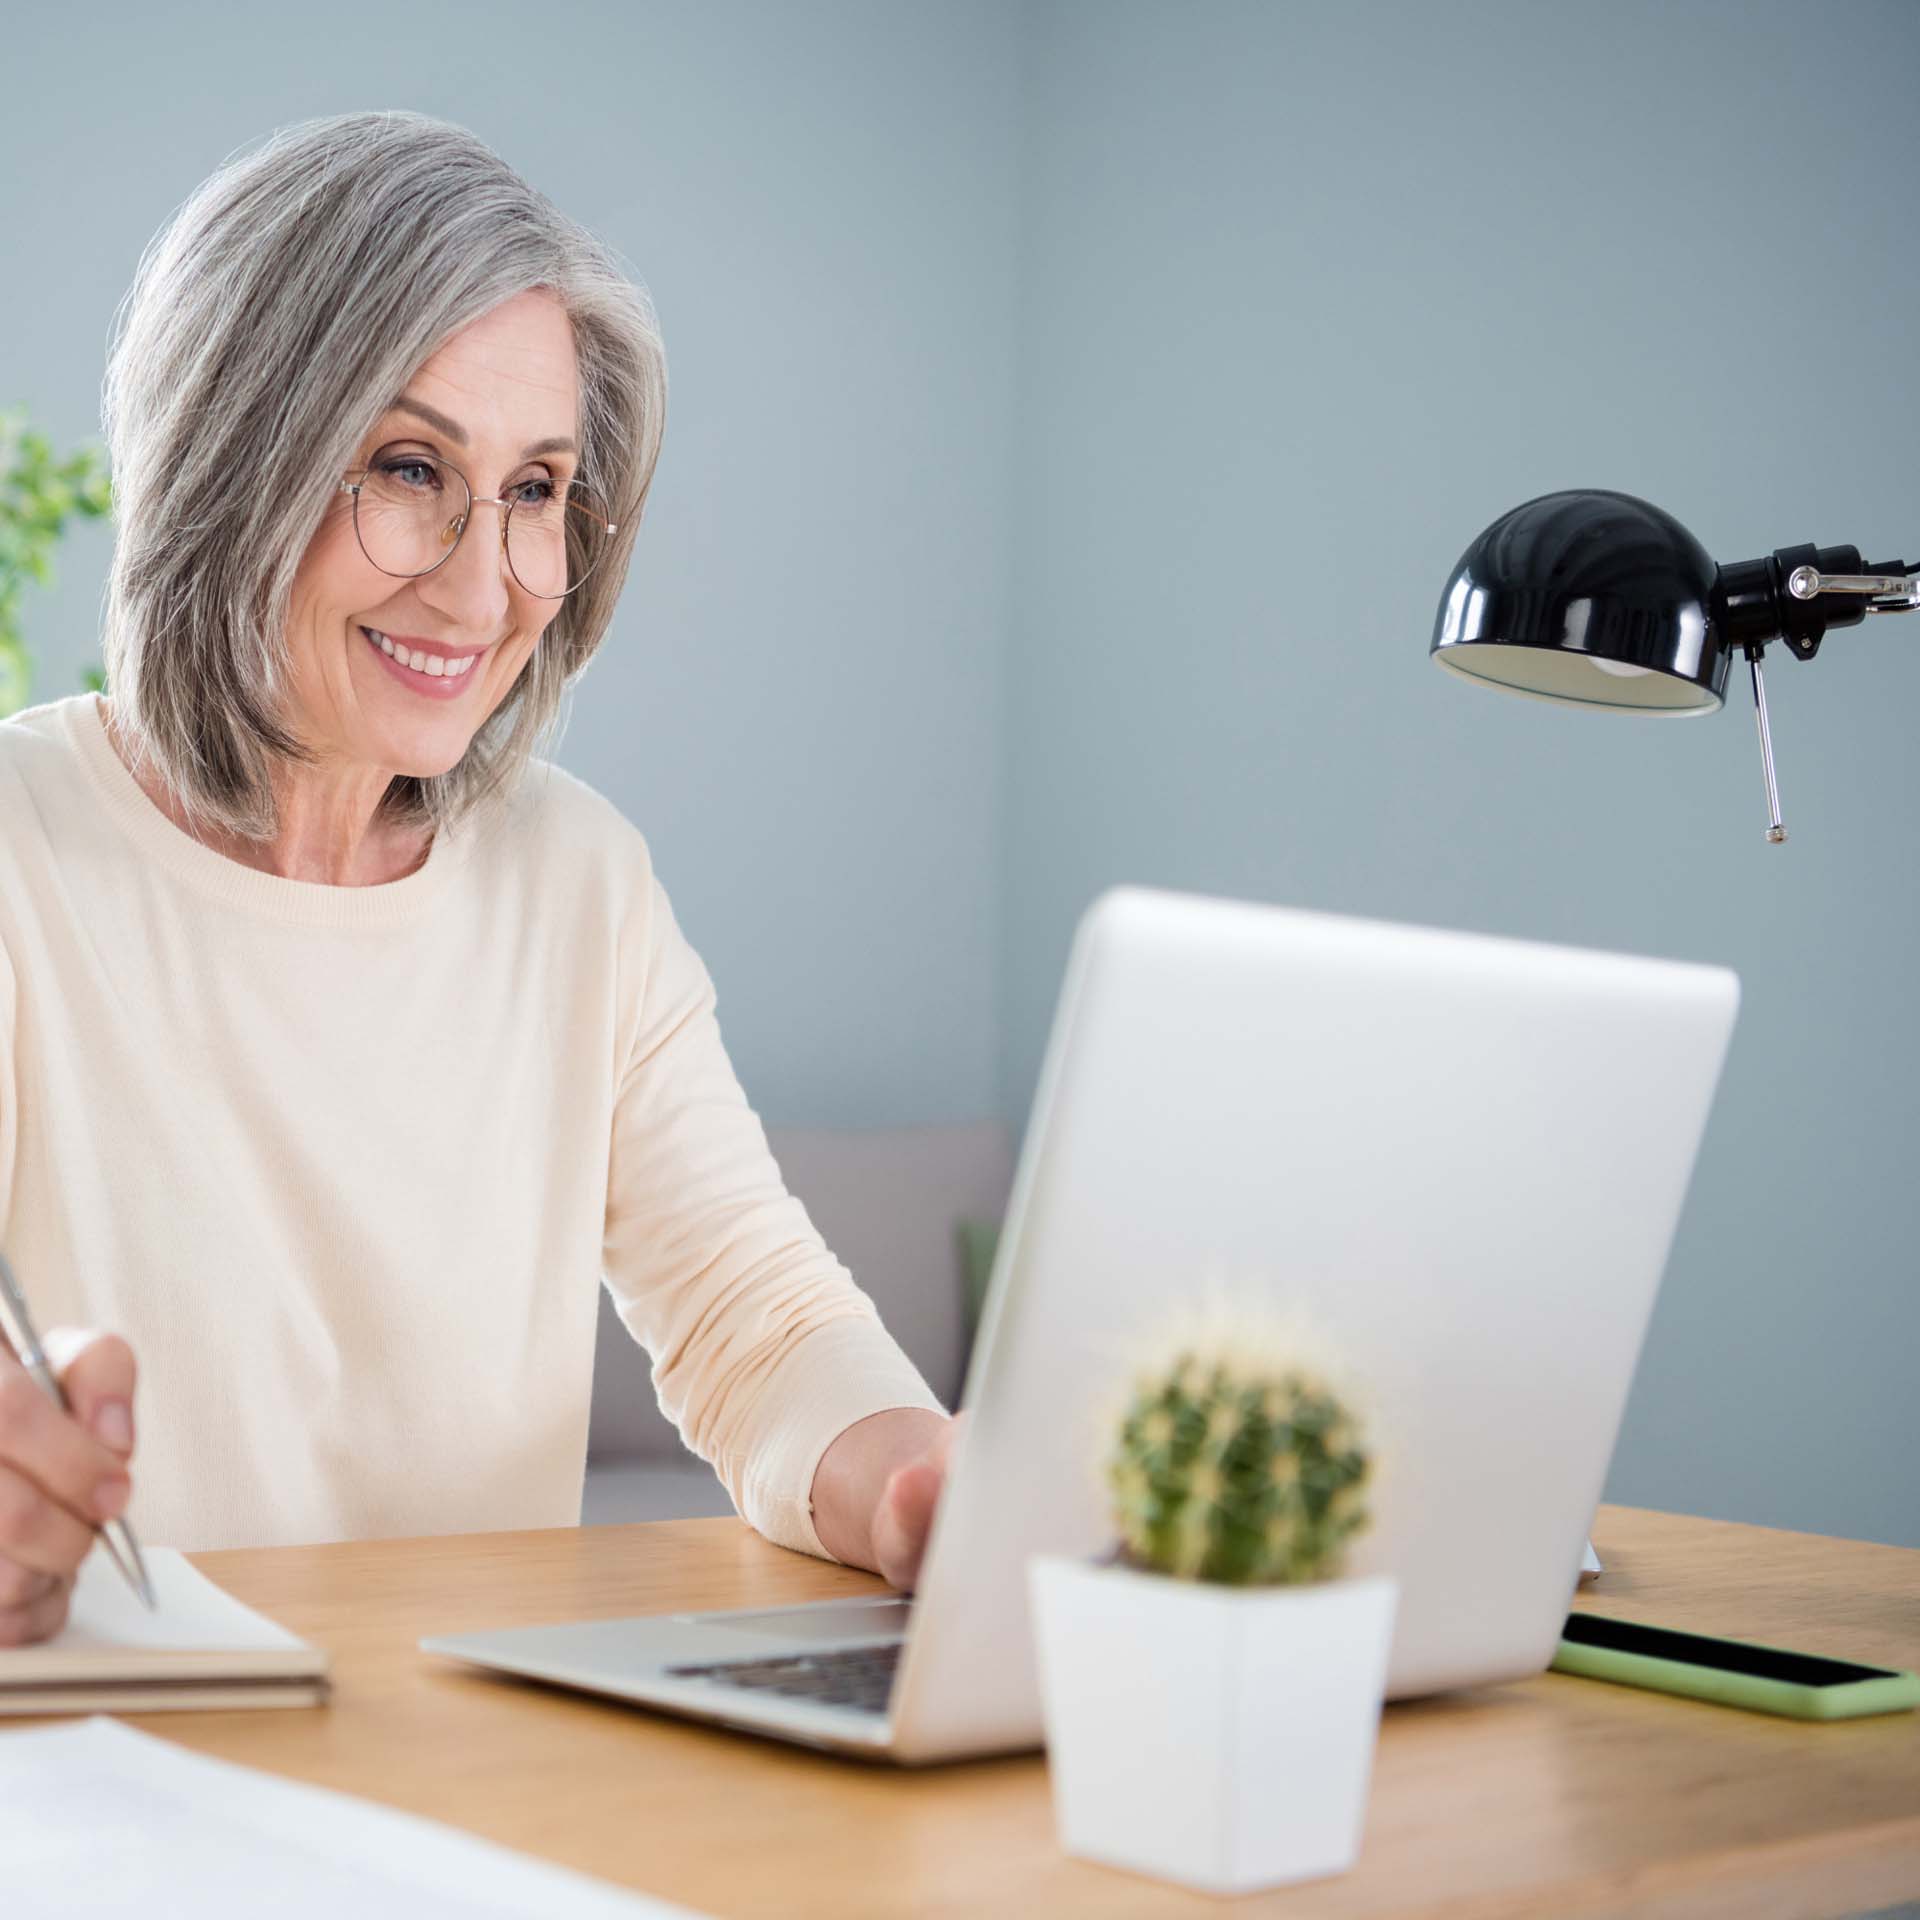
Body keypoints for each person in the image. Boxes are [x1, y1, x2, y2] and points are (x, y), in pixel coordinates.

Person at [0, 110, 960, 1648]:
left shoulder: (578, 885)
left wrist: (926, 1487)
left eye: (534, 491)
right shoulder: (18, 856)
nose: (481, 581)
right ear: (230, 457)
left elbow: (756, 1321)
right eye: (406, 467)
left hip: (471, 1785)